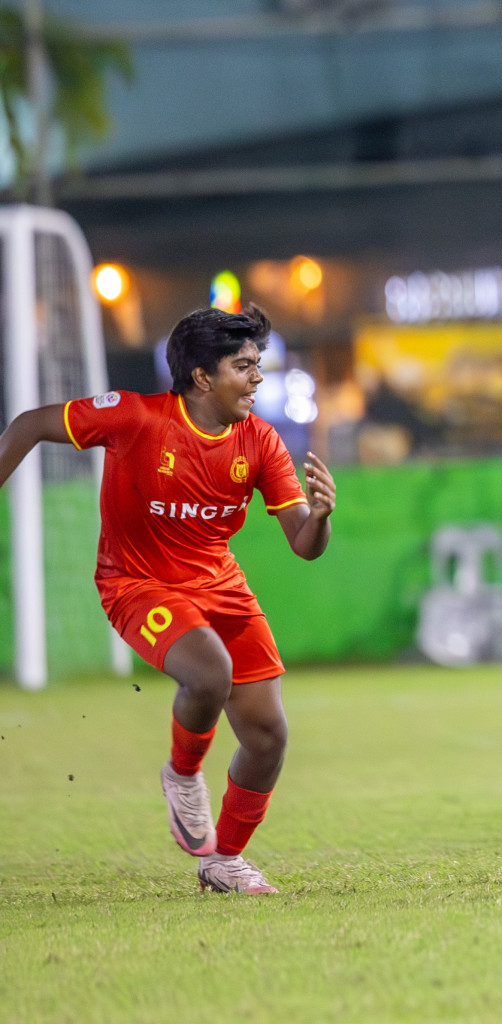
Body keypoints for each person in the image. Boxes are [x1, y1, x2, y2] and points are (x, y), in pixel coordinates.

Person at [0, 306, 338, 891]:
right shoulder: (135, 417)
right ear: (202, 377)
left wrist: (324, 515)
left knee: (267, 735)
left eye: (259, 365)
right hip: (136, 584)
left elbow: (304, 545)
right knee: (210, 673)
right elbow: (30, 422)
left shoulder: (260, 441)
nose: (258, 378)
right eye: (243, 366)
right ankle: (183, 775)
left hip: (221, 588)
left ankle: (224, 861)